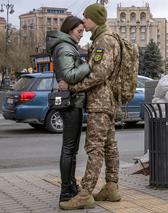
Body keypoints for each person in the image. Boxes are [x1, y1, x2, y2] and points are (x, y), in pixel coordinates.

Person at [59, 3, 122, 210]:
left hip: (100, 102)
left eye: (86, 17)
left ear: (95, 19)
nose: (83, 21)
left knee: (94, 147)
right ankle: (111, 187)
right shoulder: (106, 38)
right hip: (108, 101)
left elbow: (99, 74)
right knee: (109, 145)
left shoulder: (104, 40)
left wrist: (75, 86)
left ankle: (85, 193)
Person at [46, 16, 91, 204]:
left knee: (71, 150)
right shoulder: (65, 48)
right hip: (71, 103)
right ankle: (66, 191)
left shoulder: (67, 46)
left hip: (73, 101)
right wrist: (89, 66)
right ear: (70, 29)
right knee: (69, 149)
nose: (81, 35)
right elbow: (70, 76)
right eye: (79, 31)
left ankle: (71, 185)